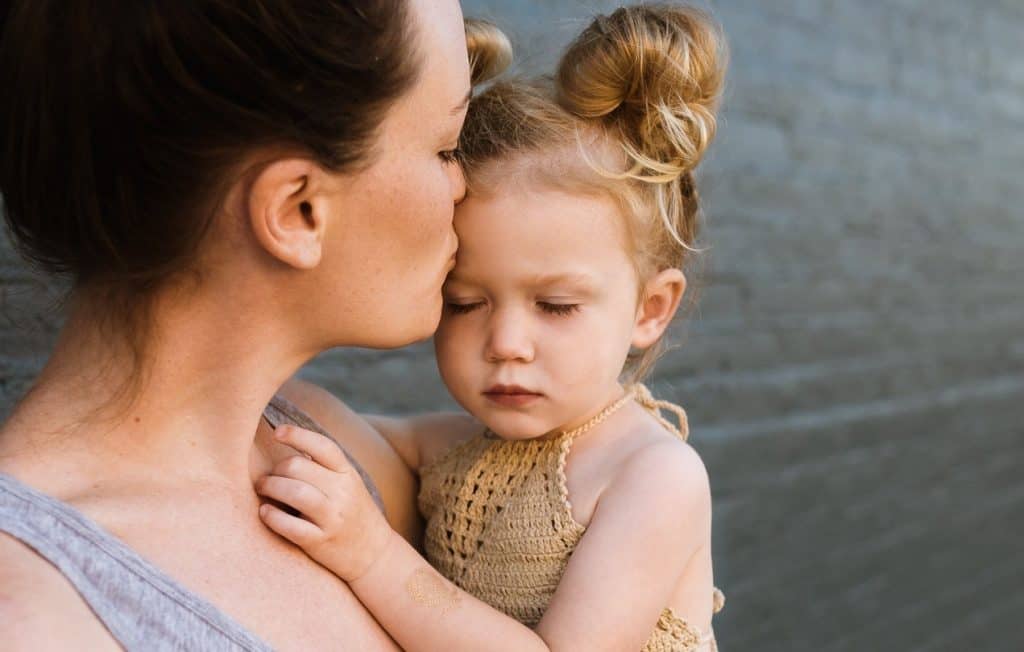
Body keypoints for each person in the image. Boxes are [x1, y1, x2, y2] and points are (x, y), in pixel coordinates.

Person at [0, 0, 509, 649]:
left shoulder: (325, 447)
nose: (464, 187)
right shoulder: (34, 617)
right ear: (298, 210)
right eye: (446, 147)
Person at [255, 5, 728, 651]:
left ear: (650, 309)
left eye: (555, 306)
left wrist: (370, 555)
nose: (506, 343)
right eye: (465, 302)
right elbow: (329, 426)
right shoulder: (455, 449)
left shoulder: (650, 474)